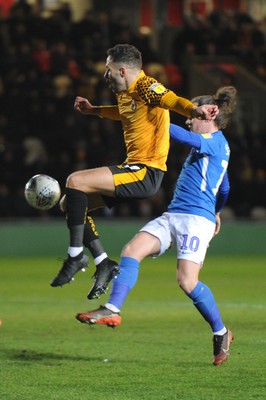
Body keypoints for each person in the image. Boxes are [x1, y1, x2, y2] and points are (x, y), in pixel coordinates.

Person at [76, 86, 237, 366]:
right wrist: (219, 211)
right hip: (175, 214)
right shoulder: (215, 148)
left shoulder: (215, 141)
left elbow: (181, 135)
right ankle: (112, 309)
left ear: (209, 116)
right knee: (131, 250)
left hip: (195, 220)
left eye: (192, 113)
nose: (189, 118)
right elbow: (224, 185)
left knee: (187, 281)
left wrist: (157, 115)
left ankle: (221, 332)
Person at [50, 43, 218, 300]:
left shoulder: (144, 85)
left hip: (145, 171)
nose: (104, 75)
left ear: (121, 70)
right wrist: (95, 111)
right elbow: (126, 113)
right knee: (69, 203)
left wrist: (195, 110)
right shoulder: (127, 92)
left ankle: (75, 256)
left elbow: (170, 100)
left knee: (75, 180)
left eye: (107, 70)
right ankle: (103, 262)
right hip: (135, 170)